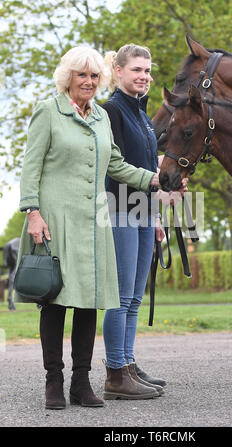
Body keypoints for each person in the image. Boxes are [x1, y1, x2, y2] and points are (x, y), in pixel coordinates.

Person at [14, 46, 162, 409]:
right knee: (54, 302)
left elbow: (117, 165)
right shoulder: (49, 111)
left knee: (89, 304)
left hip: (93, 224)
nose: (89, 82)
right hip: (54, 221)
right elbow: (30, 167)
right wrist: (32, 212)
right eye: (82, 75)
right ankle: (54, 382)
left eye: (95, 76)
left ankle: (82, 384)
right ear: (69, 77)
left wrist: (155, 180)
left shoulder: (100, 117)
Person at [101, 44, 184, 400]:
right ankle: (115, 373)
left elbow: (148, 163)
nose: (144, 77)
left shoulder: (143, 116)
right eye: (136, 70)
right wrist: (157, 182)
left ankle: (128, 364)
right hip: (118, 208)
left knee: (135, 298)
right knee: (120, 298)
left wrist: (154, 215)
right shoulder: (111, 112)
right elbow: (115, 166)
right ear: (118, 71)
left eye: (148, 71)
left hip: (141, 212)